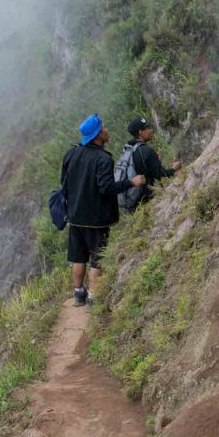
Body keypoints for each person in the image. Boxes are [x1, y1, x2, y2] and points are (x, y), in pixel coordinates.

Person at [62, 113, 146, 306]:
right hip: (96, 218)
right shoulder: (103, 158)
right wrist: (130, 182)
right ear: (98, 135)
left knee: (78, 256)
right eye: (104, 128)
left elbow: (64, 184)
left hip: (74, 216)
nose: (107, 130)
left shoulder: (71, 154)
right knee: (98, 258)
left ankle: (78, 294)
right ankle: (93, 298)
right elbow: (106, 188)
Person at [121, 116, 181, 213]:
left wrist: (155, 161)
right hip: (147, 201)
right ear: (140, 132)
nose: (151, 130)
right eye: (147, 128)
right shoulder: (146, 151)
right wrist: (175, 168)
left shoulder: (130, 149)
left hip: (133, 203)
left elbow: (142, 168)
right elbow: (162, 175)